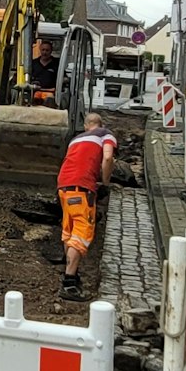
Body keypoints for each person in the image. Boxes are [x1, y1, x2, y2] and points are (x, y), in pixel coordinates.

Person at [55, 112, 116, 299]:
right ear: (100, 123)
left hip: (63, 186)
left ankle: (71, 272)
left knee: (69, 231)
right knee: (81, 234)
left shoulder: (76, 139)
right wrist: (105, 182)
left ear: (85, 125)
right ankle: (69, 283)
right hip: (82, 188)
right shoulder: (105, 134)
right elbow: (107, 158)